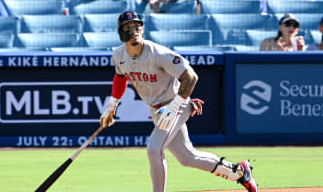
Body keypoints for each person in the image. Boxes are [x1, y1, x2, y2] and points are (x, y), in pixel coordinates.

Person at [100, 11, 258, 192]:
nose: (134, 30)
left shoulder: (157, 53)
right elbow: (120, 77)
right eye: (128, 27)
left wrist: (175, 106)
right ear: (120, 32)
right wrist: (112, 105)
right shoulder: (118, 54)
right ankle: (238, 171)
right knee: (187, 157)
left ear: (142, 29)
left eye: (137, 26)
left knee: (154, 149)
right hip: (157, 109)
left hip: (175, 104)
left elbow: (190, 77)